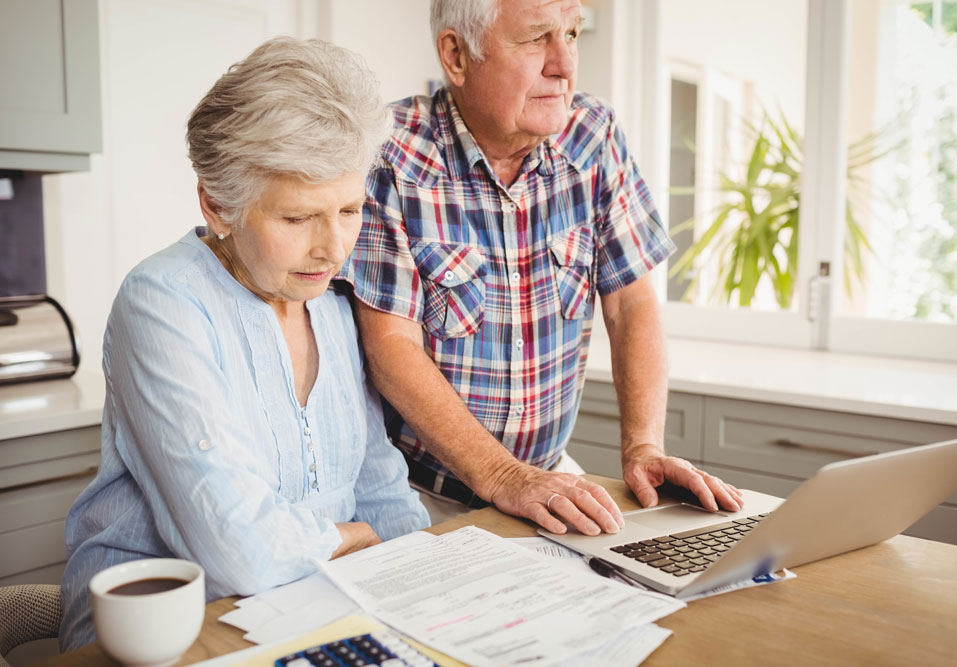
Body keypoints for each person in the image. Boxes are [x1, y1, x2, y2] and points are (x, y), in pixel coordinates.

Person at [59, 37, 429, 651]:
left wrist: (420, 568)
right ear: (218, 204)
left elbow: (379, 486)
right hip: (164, 632)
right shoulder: (162, 301)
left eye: (349, 209)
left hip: (312, 608)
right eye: (296, 218)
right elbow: (240, 551)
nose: (334, 248)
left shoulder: (329, 302)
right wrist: (348, 538)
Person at [342, 0, 743, 536]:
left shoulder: (593, 135)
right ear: (457, 55)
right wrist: (503, 475)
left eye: (572, 34)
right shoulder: (390, 152)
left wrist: (644, 446)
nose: (564, 64)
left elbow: (632, 302)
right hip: (422, 495)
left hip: (547, 481)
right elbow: (390, 347)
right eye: (536, 39)